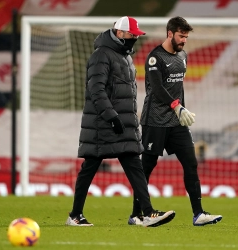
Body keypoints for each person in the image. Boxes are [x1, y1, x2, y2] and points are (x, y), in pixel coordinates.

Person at [65, 16, 175, 227]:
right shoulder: (101, 56)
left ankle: (147, 213)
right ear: (119, 33)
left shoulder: (125, 57)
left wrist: (124, 119)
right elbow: (95, 89)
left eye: (136, 35)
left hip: (122, 123)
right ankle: (75, 215)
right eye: (132, 34)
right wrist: (111, 116)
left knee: (135, 165)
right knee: (89, 167)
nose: (134, 38)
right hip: (101, 123)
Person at [128, 16, 222, 226]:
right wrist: (177, 107)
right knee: (147, 167)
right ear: (170, 33)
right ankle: (136, 215)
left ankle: (198, 214)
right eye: (181, 36)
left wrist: (182, 110)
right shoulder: (155, 58)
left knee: (191, 163)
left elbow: (177, 88)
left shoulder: (183, 57)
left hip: (176, 121)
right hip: (155, 120)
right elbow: (158, 89)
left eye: (186, 37)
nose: (184, 41)